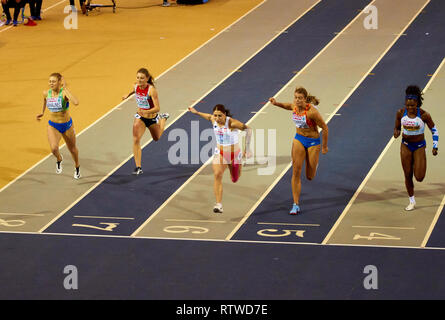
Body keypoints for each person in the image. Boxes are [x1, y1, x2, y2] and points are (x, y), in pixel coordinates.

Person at [269, 86, 328, 215]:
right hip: (299, 139)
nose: (297, 100)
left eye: (300, 98)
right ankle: (295, 204)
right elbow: (286, 106)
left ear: (305, 99)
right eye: (295, 98)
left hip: (313, 142)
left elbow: (325, 127)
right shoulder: (294, 107)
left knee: (310, 176)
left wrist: (324, 146)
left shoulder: (312, 112)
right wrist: (276, 103)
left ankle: (312, 163)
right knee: (296, 171)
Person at [188, 104, 252, 213]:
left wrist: (248, 148)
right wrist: (197, 112)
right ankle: (218, 204)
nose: (217, 118)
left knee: (235, 179)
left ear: (225, 114)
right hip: (220, 153)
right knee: (217, 174)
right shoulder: (214, 119)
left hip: (234, 154)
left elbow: (248, 129)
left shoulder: (232, 123)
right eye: (215, 115)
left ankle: (236, 168)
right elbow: (208, 117)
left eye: (220, 116)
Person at [394, 85, 439, 211]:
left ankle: (418, 161)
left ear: (417, 104)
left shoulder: (424, 115)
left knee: (419, 177)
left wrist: (435, 146)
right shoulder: (400, 113)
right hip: (406, 146)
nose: (410, 108)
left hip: (419, 146)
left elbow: (434, 131)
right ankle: (412, 201)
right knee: (407, 175)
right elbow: (397, 127)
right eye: (408, 105)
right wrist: (396, 132)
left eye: (412, 106)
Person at [122, 68, 169, 175]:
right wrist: (127, 95)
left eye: (142, 78)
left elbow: (157, 108)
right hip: (140, 117)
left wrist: (146, 111)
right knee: (136, 139)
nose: (139, 80)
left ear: (147, 79)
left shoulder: (151, 90)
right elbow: (135, 90)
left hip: (152, 118)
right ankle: (138, 167)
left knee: (156, 138)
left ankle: (163, 119)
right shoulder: (135, 85)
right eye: (138, 77)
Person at [36, 73, 81, 179]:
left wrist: (66, 89)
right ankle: (59, 159)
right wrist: (42, 112)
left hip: (66, 125)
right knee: (54, 148)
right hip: (53, 125)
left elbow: (76, 102)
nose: (51, 83)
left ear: (59, 82)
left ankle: (77, 166)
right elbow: (44, 101)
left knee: (72, 149)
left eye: (53, 81)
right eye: (50, 81)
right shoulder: (46, 93)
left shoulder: (64, 93)